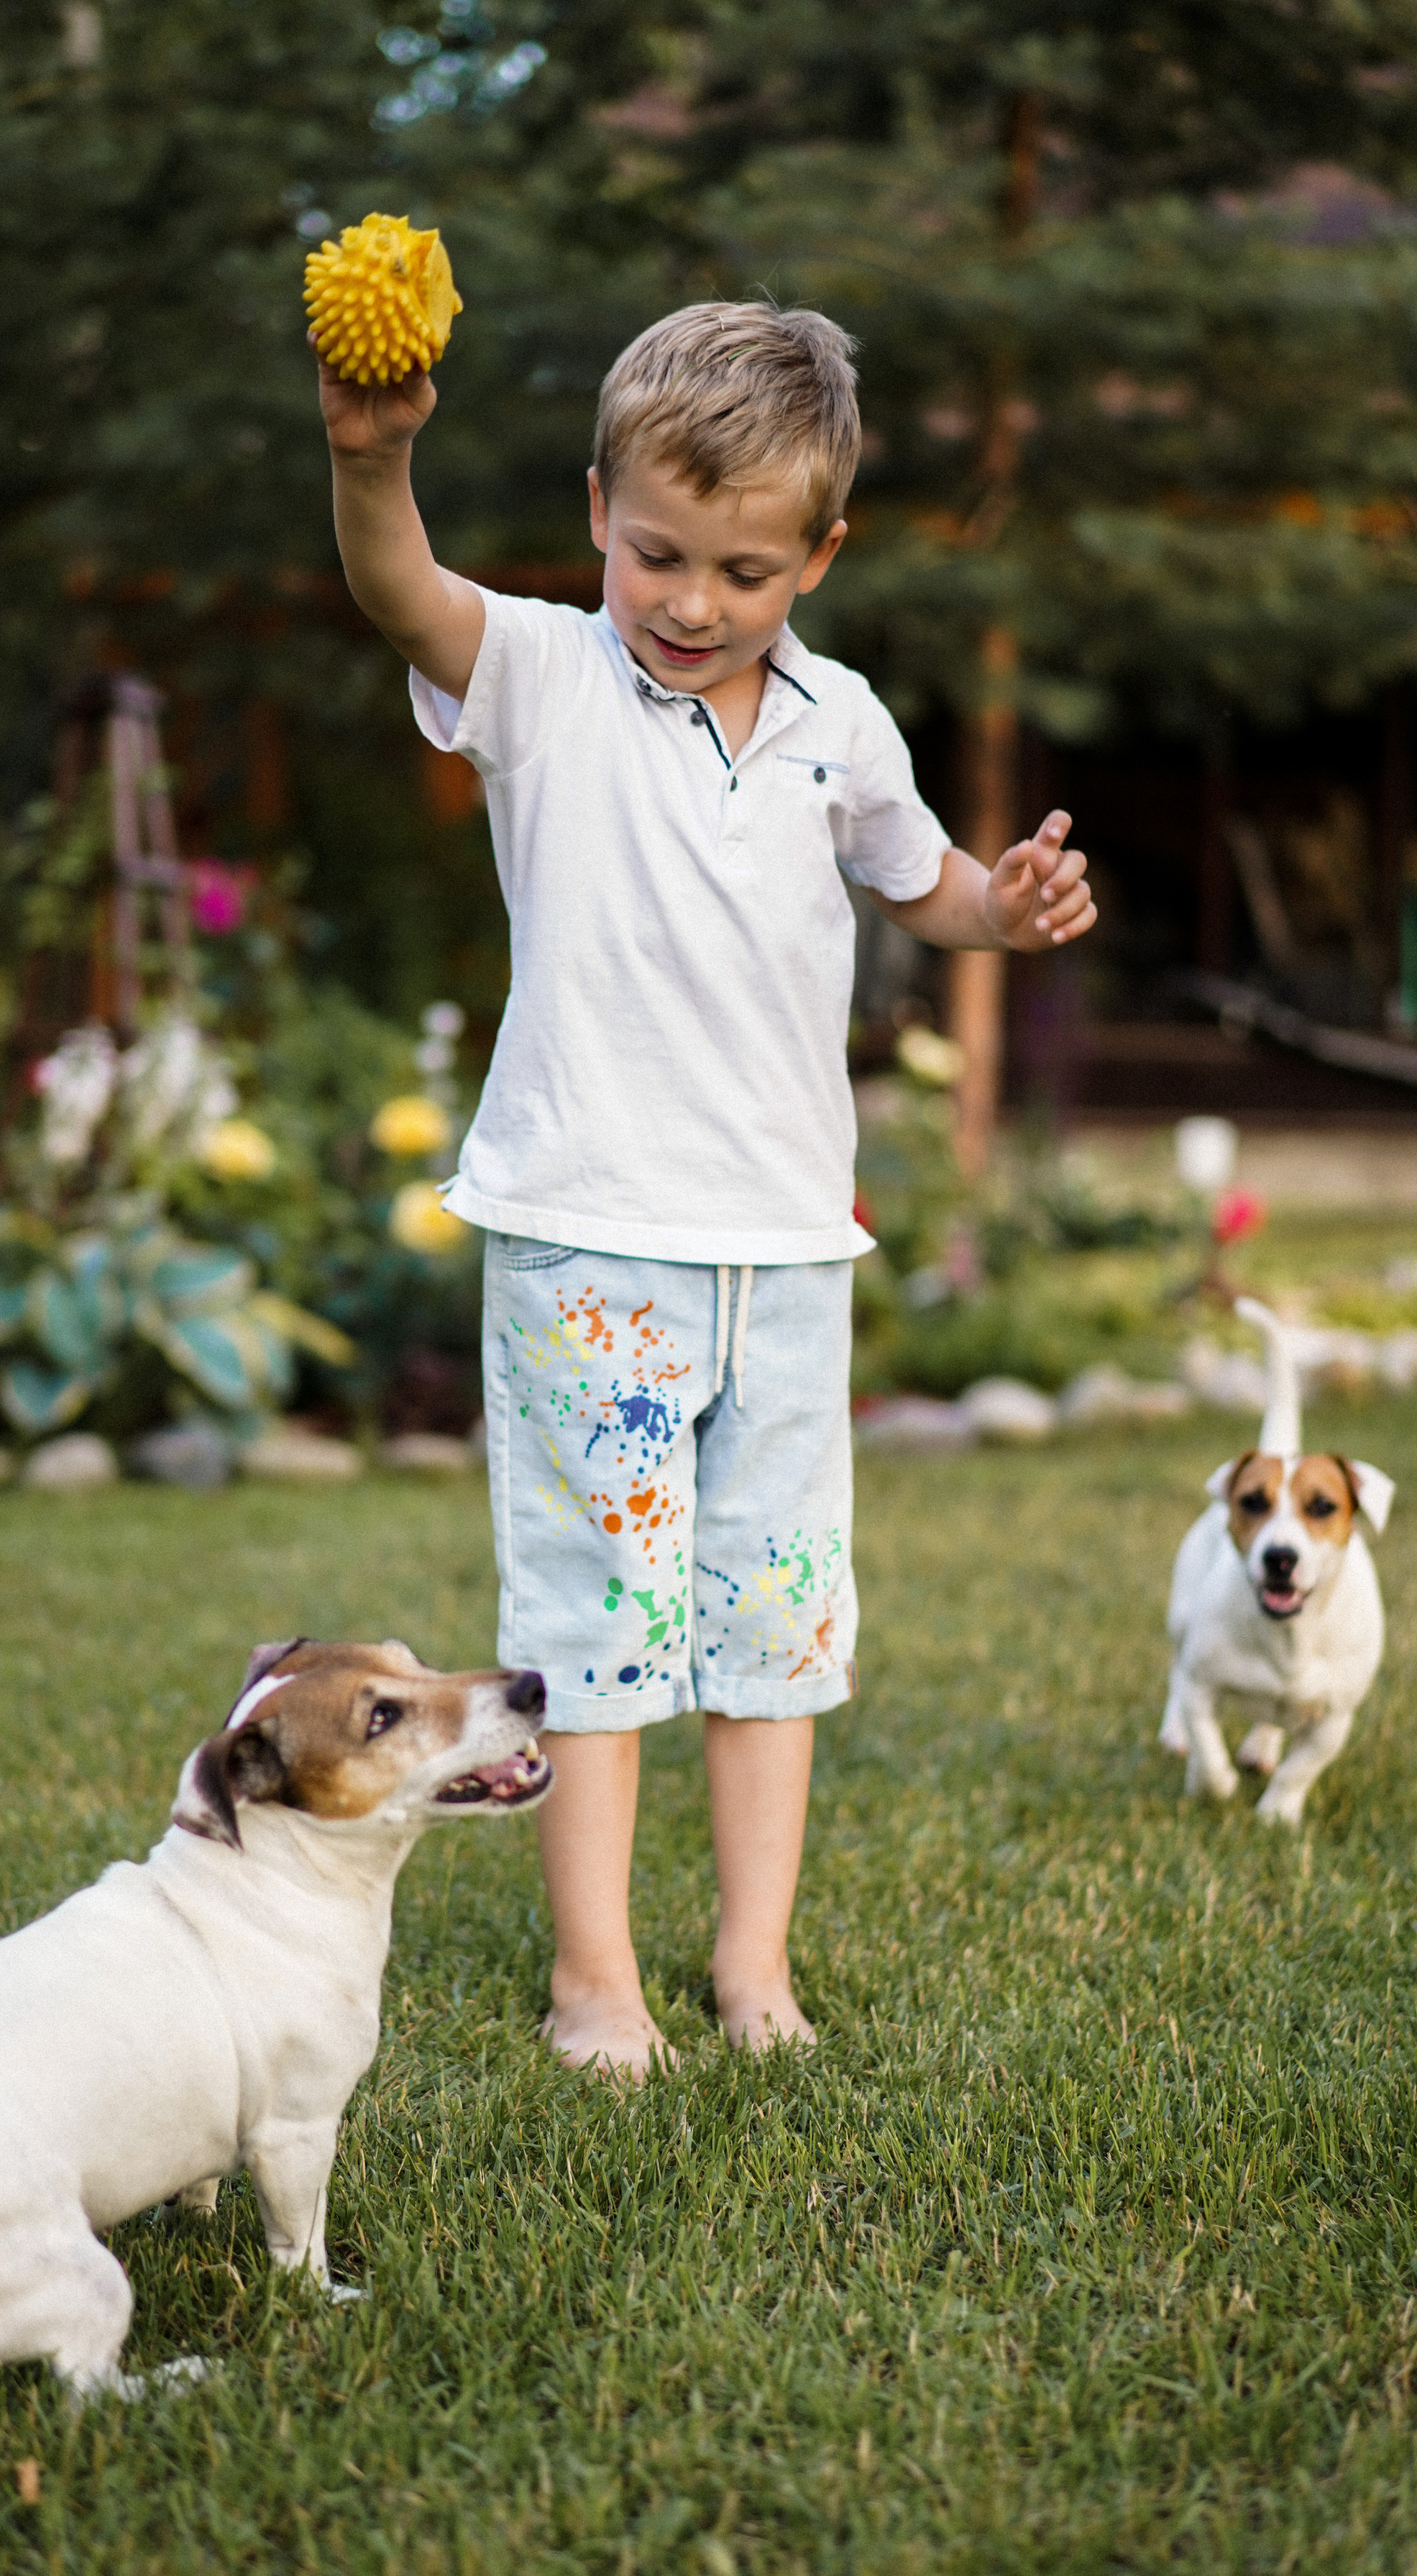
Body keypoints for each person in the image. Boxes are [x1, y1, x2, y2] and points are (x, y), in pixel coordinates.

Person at [318, 298, 1096, 2076]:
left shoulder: (843, 725)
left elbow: (931, 891)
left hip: (785, 1253)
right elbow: (400, 590)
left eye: (742, 571)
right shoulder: (536, 671)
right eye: (654, 551)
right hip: (588, 1238)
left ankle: (752, 1964)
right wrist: (372, 459)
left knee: (775, 1622)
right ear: (596, 505)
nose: (687, 600)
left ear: (818, 554)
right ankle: (595, 1975)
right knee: (594, 1630)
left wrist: (1013, 902)